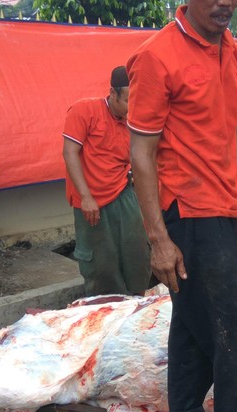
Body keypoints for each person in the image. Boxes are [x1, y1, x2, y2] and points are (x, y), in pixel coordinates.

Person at [126, 1, 237, 412]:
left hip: (220, 206)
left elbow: (229, 129)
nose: (225, 3)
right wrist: (158, 239)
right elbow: (140, 152)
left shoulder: (230, 49)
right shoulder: (156, 56)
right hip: (187, 211)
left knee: (190, 312)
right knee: (236, 323)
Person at [61, 66, 150, 295]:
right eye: (129, 101)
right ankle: (109, 311)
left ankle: (135, 304)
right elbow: (70, 153)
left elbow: (141, 161)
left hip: (122, 192)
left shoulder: (134, 123)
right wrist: (86, 197)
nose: (133, 109)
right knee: (102, 264)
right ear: (112, 93)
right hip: (90, 200)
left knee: (137, 253)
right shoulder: (84, 111)